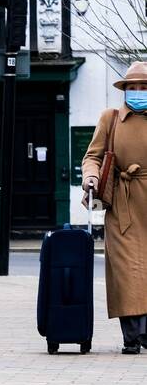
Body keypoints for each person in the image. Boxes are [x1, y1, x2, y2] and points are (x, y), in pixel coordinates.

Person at [82, 60, 147, 354]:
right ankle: (132, 336)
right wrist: (91, 177)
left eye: (143, 87)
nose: (138, 91)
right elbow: (92, 156)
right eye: (133, 87)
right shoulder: (110, 118)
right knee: (126, 270)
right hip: (122, 202)